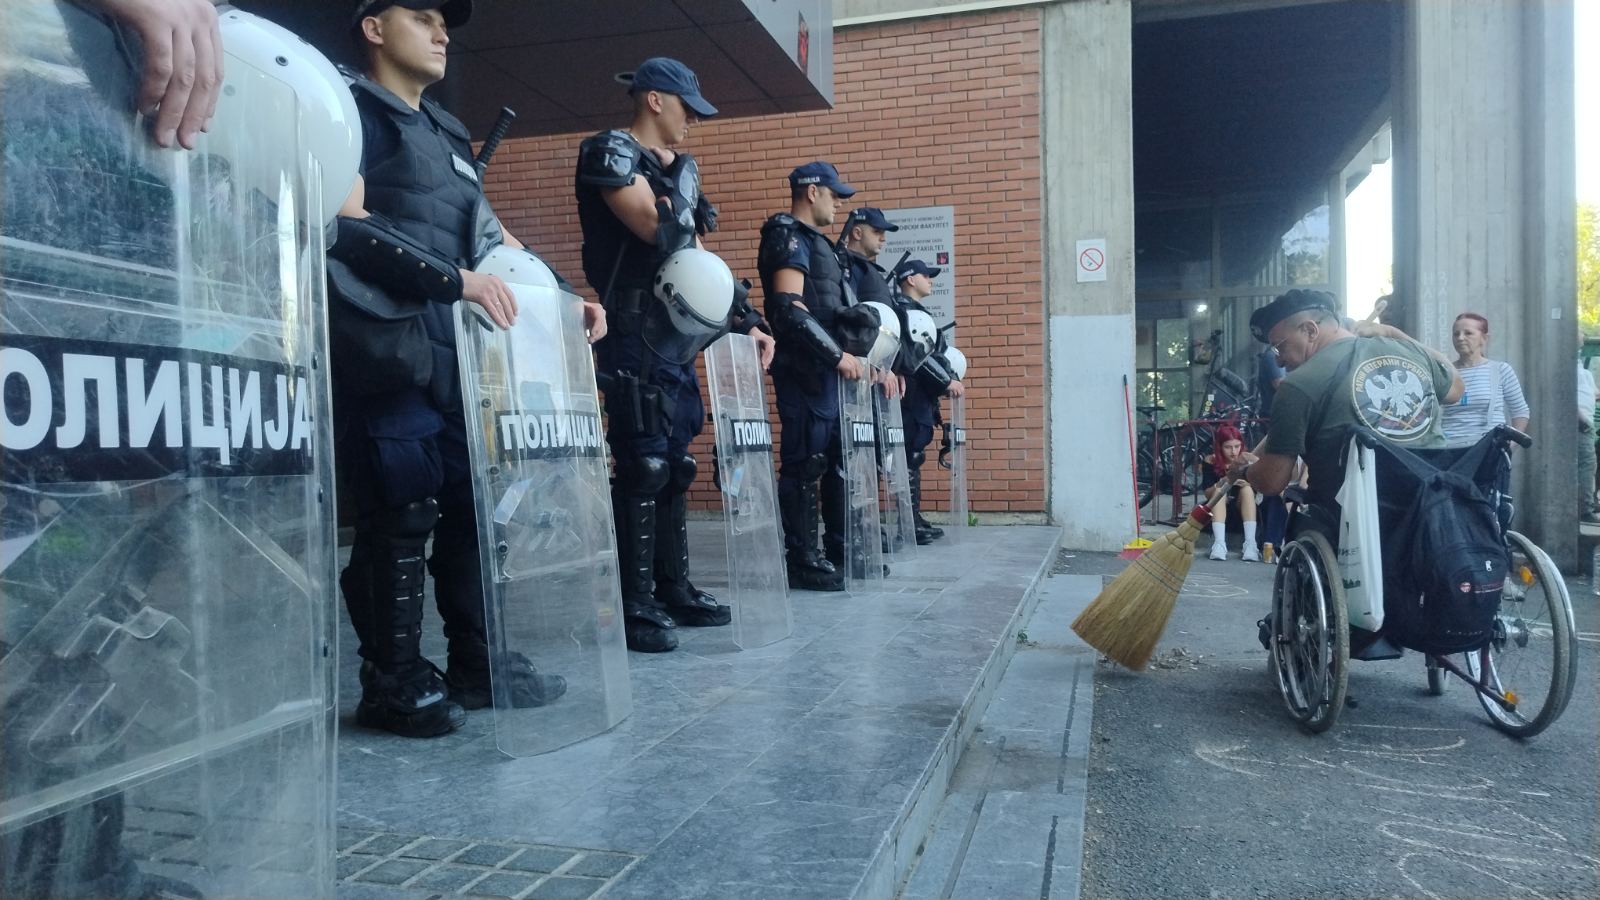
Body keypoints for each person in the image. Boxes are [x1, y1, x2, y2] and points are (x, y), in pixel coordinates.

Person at [331, 0, 595, 737]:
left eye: (446, 20)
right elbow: (345, 226)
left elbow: (486, 232)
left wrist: (564, 296)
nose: (443, 30)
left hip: (462, 352)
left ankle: (479, 664)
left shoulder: (446, 131)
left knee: (477, 509)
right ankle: (394, 676)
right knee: (401, 507)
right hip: (387, 342)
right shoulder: (348, 109)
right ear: (374, 26)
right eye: (422, 15)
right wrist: (456, 280)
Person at [576, 56, 774, 653]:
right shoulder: (609, 151)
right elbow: (654, 230)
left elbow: (695, 264)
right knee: (642, 466)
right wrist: (681, 182)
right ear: (655, 99)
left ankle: (672, 587)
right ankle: (631, 602)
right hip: (632, 326)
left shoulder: (674, 170)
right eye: (688, 107)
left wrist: (747, 319)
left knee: (675, 465)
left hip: (675, 331)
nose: (693, 120)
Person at [759, 161, 878, 591]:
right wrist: (835, 356)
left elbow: (825, 306)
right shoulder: (786, 234)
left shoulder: (818, 243)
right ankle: (803, 558)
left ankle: (837, 550)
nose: (837, 204)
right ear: (812, 192)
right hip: (807, 370)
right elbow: (788, 307)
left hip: (829, 371)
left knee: (833, 461)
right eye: (833, 195)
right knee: (805, 462)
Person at [1232, 289, 1463, 509]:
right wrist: (1393, 334)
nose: (1279, 361)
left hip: (1349, 518)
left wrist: (1245, 471)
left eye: (1279, 347)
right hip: (1432, 506)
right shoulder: (1410, 353)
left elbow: (1273, 481)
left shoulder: (1297, 385)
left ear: (1311, 331)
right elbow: (1456, 388)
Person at [893, 258, 964, 544]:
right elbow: (918, 359)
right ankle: (907, 524)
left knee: (915, 455)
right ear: (910, 279)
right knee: (909, 455)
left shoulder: (916, 311)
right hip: (909, 394)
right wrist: (946, 381)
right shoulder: (905, 311)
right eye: (926, 275)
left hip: (920, 395)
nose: (931, 280)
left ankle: (914, 518)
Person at [1440, 312, 1530, 448]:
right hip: (1449, 452)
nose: (1460, 338)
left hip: (1489, 451)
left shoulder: (1501, 370)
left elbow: (1520, 412)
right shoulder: (1444, 371)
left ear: (1484, 338)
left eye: (1468, 333)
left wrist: (1509, 448)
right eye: (1456, 334)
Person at [1203, 424, 1260, 562]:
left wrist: (1249, 484)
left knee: (1246, 490)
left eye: (1237, 446)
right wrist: (1223, 482)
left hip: (1242, 510)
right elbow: (1207, 493)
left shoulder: (1248, 460)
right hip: (1217, 509)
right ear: (1220, 447)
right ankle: (1219, 544)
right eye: (1228, 447)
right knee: (1219, 491)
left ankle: (1250, 544)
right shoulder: (1211, 460)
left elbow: (1260, 488)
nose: (1233, 451)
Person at [1578, 358, 1598, 524]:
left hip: (1586, 423)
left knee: (1589, 465)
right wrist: (1583, 421)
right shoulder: (1571, 366)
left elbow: (1594, 393)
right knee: (1586, 466)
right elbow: (1567, 392)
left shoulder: (1584, 371)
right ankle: (1584, 510)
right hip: (1581, 425)